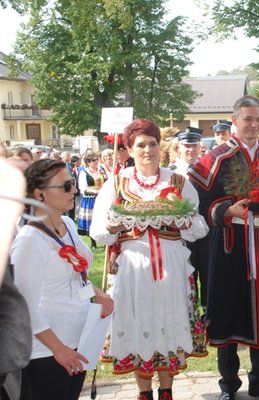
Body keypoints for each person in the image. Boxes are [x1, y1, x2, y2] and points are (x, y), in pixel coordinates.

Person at [90, 119, 209, 400]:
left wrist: (183, 223)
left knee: (167, 319)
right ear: (129, 149)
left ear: (161, 146)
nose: (148, 150)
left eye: (153, 144)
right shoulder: (116, 184)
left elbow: (200, 227)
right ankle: (143, 392)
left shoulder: (179, 182)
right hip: (132, 266)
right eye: (140, 145)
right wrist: (113, 227)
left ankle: (166, 389)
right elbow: (98, 231)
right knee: (137, 319)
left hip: (171, 264)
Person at [189, 95, 259, 400]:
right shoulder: (216, 157)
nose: (253, 125)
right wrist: (227, 211)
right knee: (228, 310)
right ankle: (228, 386)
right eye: (247, 118)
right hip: (229, 246)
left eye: (258, 119)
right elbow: (198, 204)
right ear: (234, 120)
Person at [12, 159, 114, 400]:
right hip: (48, 351)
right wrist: (58, 348)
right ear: (40, 195)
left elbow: (74, 277)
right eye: (66, 186)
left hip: (77, 340)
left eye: (72, 184)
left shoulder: (67, 224)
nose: (75, 190)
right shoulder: (29, 241)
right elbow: (23, 306)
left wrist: (97, 293)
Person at [169, 127, 210, 313]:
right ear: (178, 148)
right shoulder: (170, 174)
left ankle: (209, 315)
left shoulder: (208, 171)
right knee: (185, 276)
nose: (190, 150)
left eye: (194, 145)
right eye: (186, 146)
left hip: (207, 234)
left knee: (209, 277)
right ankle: (188, 314)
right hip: (180, 236)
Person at [77, 151, 107, 248]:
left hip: (102, 198)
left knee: (105, 219)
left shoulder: (102, 170)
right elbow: (83, 187)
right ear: (88, 162)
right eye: (93, 160)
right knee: (91, 221)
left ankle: (106, 240)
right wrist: (96, 191)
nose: (96, 162)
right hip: (91, 199)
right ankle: (93, 243)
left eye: (97, 159)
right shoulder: (84, 172)